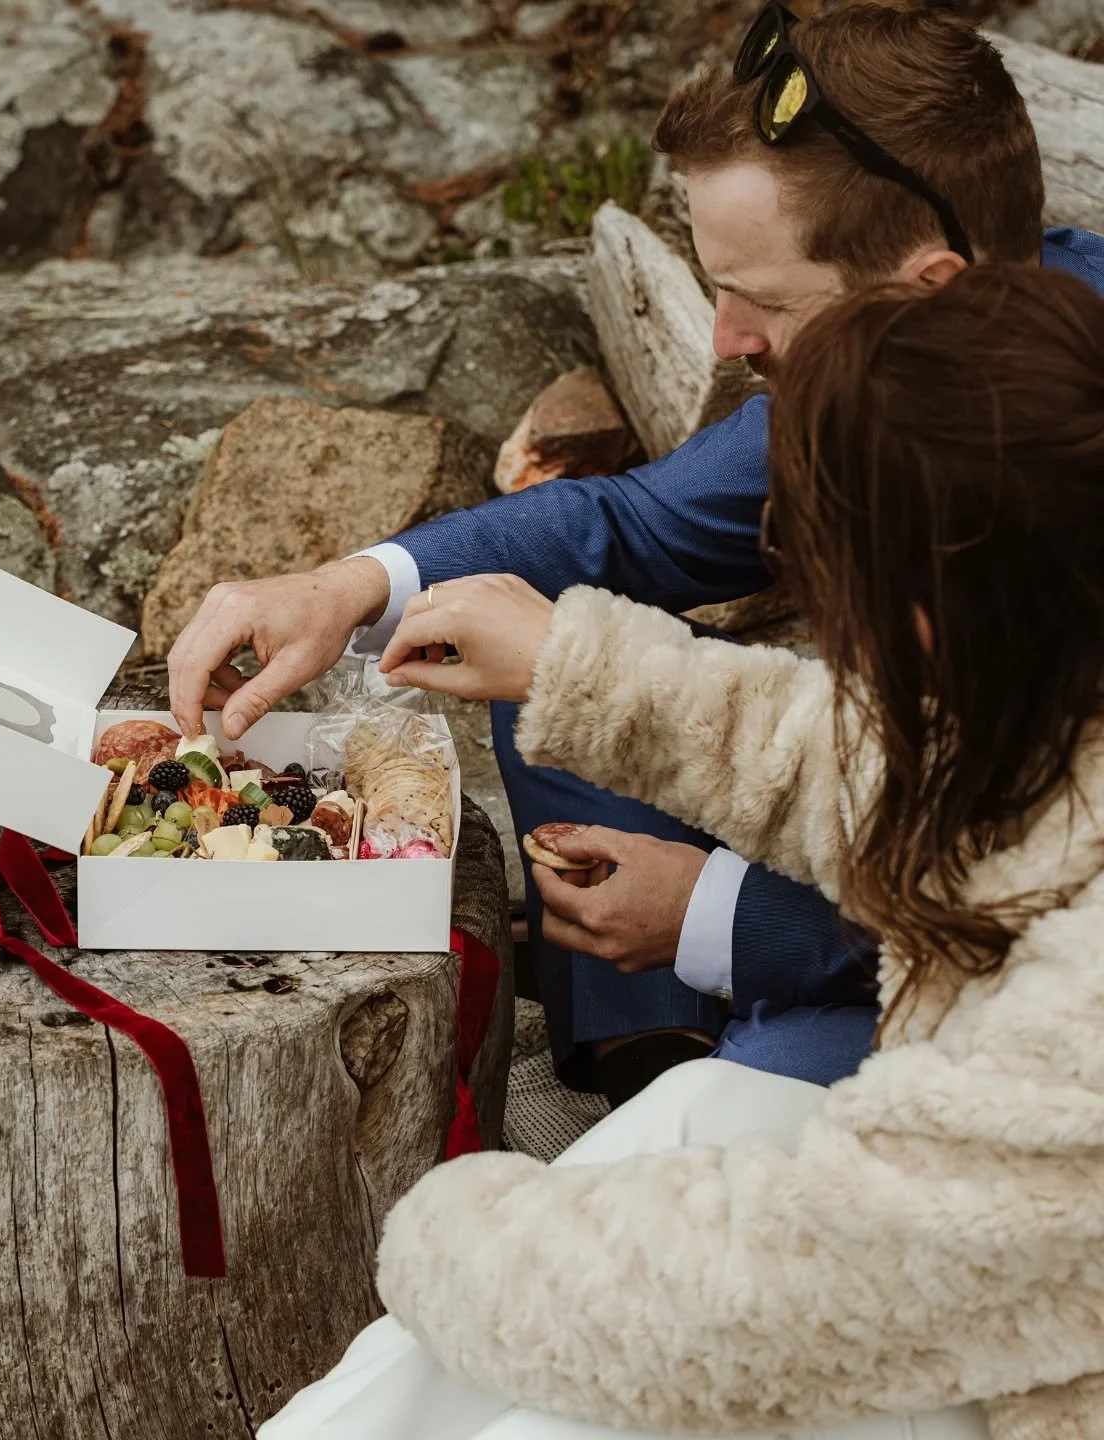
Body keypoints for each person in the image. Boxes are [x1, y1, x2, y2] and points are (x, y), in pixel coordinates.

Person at [165, 4, 1104, 1105]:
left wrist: (726, 916)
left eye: (761, 299)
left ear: (929, 288)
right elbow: (634, 526)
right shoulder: (901, 361)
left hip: (1027, 1013)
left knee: (756, 1103)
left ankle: (714, 1062)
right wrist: (348, 586)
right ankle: (645, 1047)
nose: (724, 340)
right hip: (889, 834)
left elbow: (1055, 895)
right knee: (538, 630)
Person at [258, 260, 1104, 1440]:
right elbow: (859, 765)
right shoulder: (1054, 691)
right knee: (706, 1099)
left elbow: (803, 1291)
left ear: (927, 616)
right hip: (999, 1282)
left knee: (580, 1400)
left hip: (1035, 1379)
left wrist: (449, 1241)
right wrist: (573, 667)